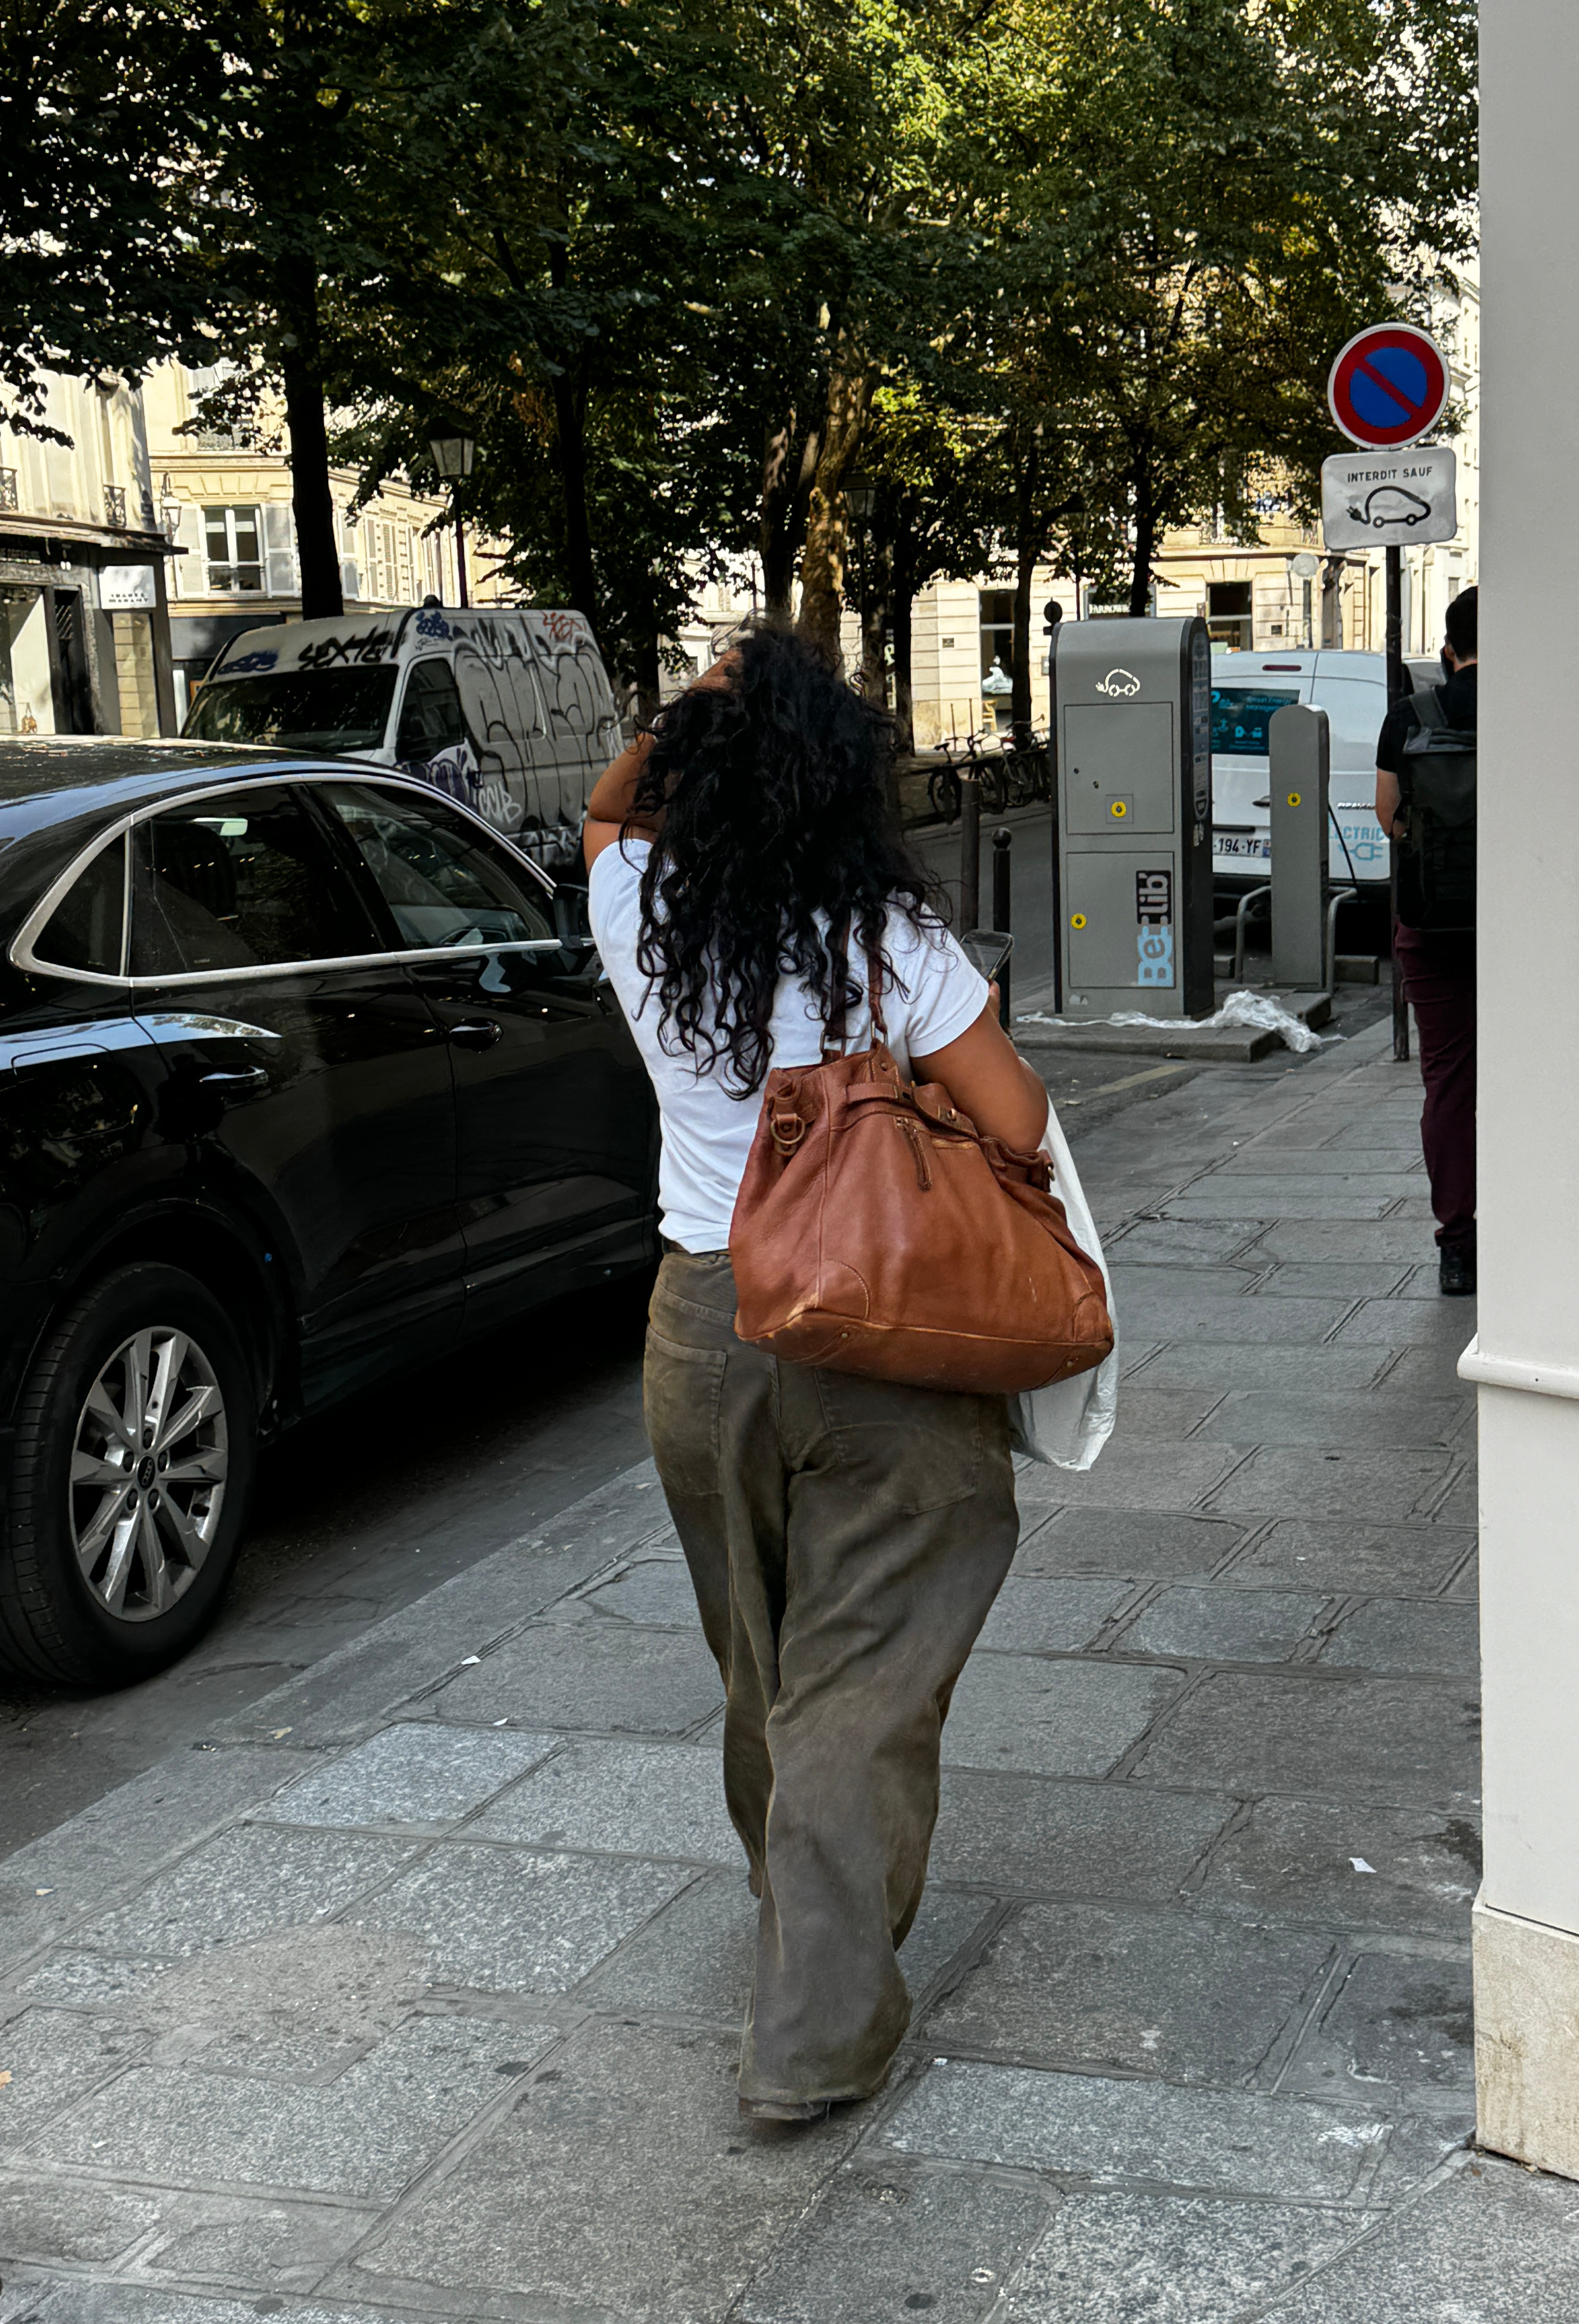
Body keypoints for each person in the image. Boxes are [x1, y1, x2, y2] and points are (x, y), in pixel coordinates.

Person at [583, 630, 1050, 2123]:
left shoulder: (636, 900)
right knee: (865, 1675)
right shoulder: (885, 941)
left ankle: (792, 1910)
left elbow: (603, 809)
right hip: (877, 1328)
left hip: (704, 1329)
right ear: (845, 787)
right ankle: (814, 2032)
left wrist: (700, 705)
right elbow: (1019, 1125)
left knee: (762, 1656)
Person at [1375, 584, 1478, 1296]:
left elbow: (1390, 817)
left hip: (1433, 925)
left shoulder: (1409, 715)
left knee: (1448, 1083)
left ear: (1447, 651)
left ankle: (1458, 1246)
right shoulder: (1537, 705)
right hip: (1525, 924)